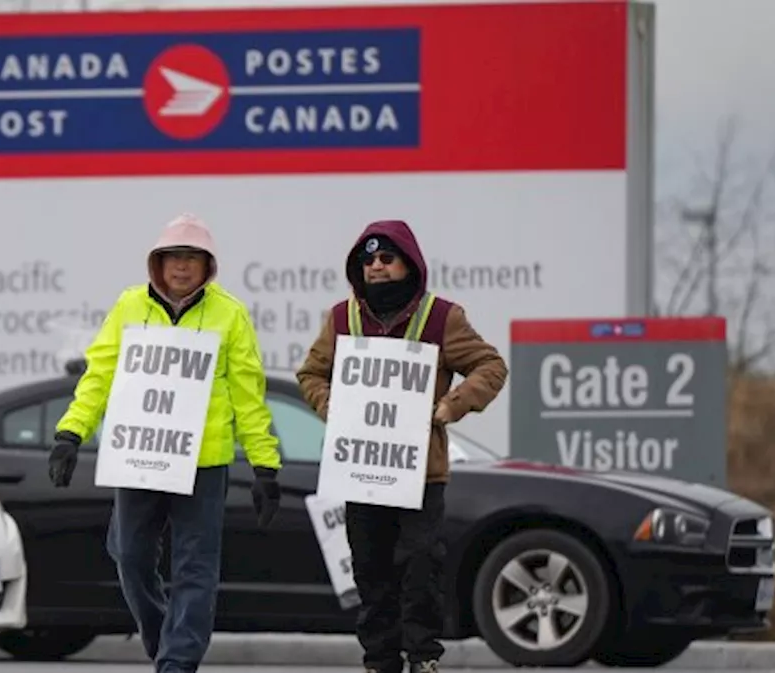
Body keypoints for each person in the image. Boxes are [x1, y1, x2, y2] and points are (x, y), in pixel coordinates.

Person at [47, 213, 283, 673]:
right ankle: (162, 638)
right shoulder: (129, 305)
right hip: (138, 457)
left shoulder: (230, 314)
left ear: (207, 265)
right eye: (173, 257)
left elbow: (248, 396)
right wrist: (70, 433)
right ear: (157, 262)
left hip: (204, 463)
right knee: (130, 556)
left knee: (196, 568)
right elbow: (100, 375)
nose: (181, 267)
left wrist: (265, 467)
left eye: (192, 258)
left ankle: (178, 662)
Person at [295, 220, 508, 673]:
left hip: (421, 472)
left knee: (420, 566)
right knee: (371, 572)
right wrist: (331, 405)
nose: (376, 267)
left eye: (386, 259)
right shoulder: (341, 318)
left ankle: (423, 655)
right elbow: (310, 374)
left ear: (409, 264)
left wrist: (452, 406)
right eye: (368, 260)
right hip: (361, 469)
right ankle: (380, 661)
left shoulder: (441, 317)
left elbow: (490, 366)